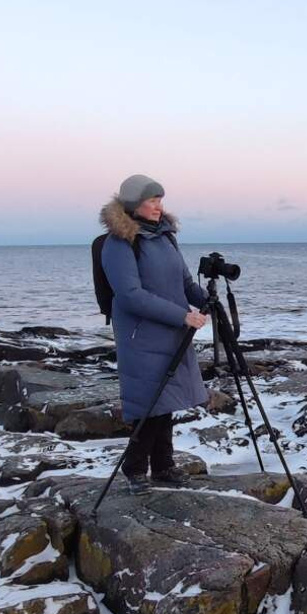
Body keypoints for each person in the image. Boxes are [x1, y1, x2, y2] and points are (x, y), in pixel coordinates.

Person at [99, 174, 210, 486]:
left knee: (166, 401)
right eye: (152, 200)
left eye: (160, 200)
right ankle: (134, 470)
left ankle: (163, 467)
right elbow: (131, 295)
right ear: (135, 204)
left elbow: (185, 283)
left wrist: (205, 299)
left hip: (169, 331)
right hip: (141, 335)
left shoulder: (164, 237)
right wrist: (183, 316)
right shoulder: (120, 243)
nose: (159, 206)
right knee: (148, 404)